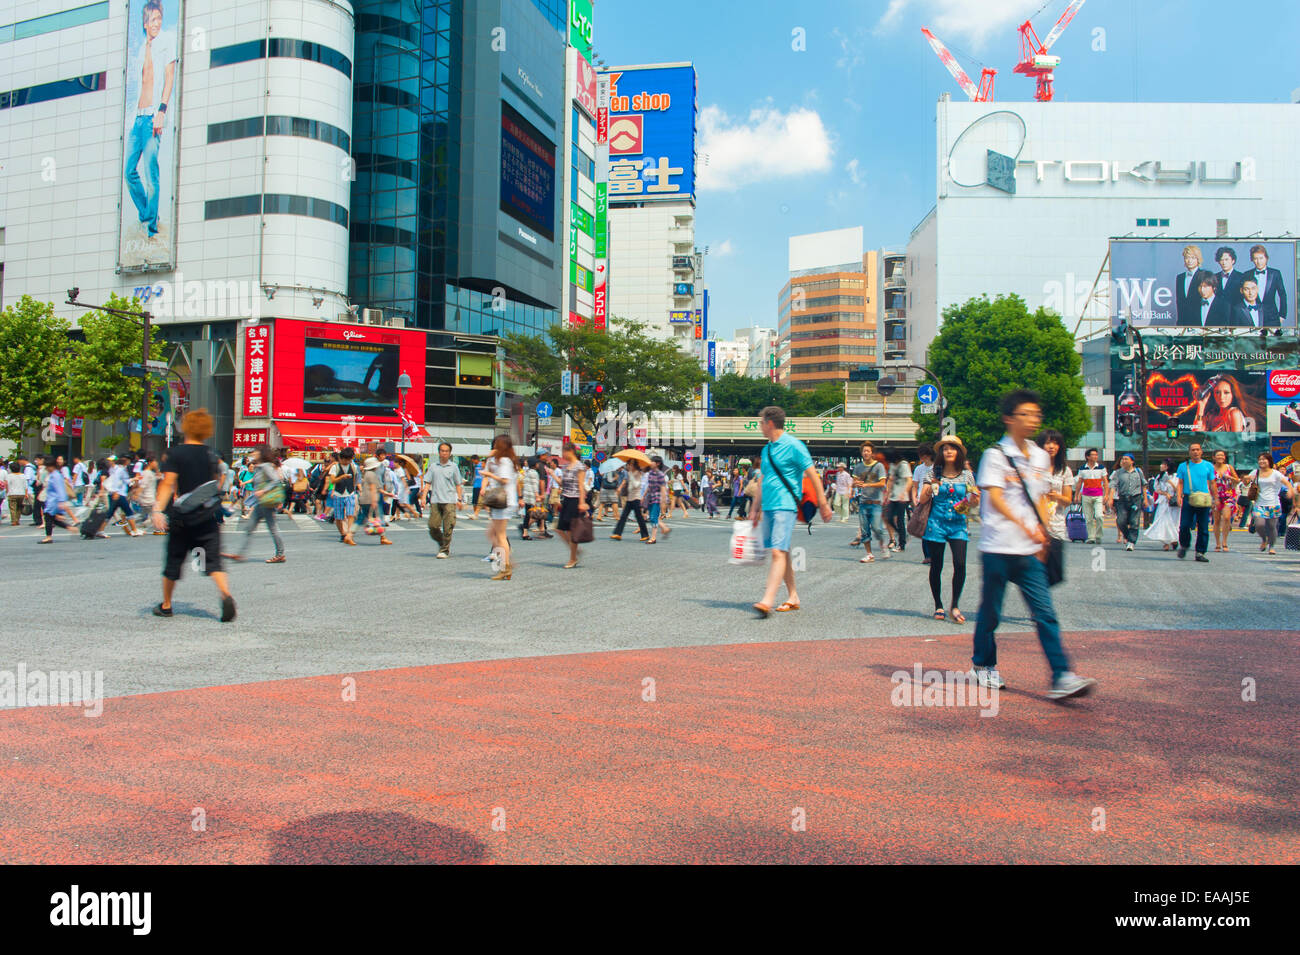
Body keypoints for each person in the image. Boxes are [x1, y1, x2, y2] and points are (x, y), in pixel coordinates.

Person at [971, 389, 1096, 700]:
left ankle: (1061, 675)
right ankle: (983, 664)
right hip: (997, 548)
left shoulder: (1040, 457)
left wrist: (1043, 533)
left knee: (1045, 613)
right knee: (991, 613)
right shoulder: (994, 456)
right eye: (1026, 414)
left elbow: (1038, 497)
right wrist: (1026, 526)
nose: (1034, 420)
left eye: (1036, 414)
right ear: (1009, 418)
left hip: (1029, 551)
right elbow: (996, 500)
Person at [150, 408, 236, 622]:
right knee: (212, 561)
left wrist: (157, 510)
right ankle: (225, 595)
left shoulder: (175, 453)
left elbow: (168, 483)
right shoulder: (211, 455)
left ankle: (167, 605)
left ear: (186, 427)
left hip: (182, 518)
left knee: (173, 561)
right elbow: (215, 484)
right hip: (207, 516)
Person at [751, 405, 831, 617]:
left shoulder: (794, 445)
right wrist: (754, 509)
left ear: (769, 423)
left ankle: (767, 600)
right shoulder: (766, 449)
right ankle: (793, 595)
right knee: (782, 550)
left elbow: (812, 474)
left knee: (777, 551)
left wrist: (823, 503)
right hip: (768, 505)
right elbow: (763, 480)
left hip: (785, 505)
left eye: (761, 423)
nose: (760, 427)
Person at [920, 436, 978, 623]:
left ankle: (955, 605)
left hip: (958, 525)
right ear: (941, 453)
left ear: (959, 452)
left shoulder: (966, 474)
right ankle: (938, 604)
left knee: (960, 564)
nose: (949, 451)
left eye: (952, 448)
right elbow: (922, 499)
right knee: (936, 565)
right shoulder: (932, 473)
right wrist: (931, 487)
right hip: (936, 523)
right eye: (945, 449)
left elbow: (972, 502)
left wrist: (974, 499)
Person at [222, 444, 287, 563]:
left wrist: (263, 490)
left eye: (255, 451)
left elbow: (275, 480)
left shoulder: (266, 466)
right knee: (250, 528)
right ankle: (240, 554)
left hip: (266, 502)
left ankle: (280, 554)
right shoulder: (259, 466)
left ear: (261, 453)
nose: (253, 453)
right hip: (261, 502)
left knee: (272, 528)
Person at [480, 435, 519, 579]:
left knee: (499, 535)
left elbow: (504, 480)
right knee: (492, 534)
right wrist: (489, 460)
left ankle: (506, 566)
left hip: (504, 500)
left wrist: (489, 473)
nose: (494, 446)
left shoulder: (505, 461)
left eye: (496, 444)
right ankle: (506, 565)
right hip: (500, 500)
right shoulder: (498, 460)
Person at [1245, 453, 1295, 555]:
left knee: (1272, 527)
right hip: (1259, 503)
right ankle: (1264, 539)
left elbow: (1287, 483)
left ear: (1269, 461)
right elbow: (1246, 481)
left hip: (1273, 503)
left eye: (1264, 459)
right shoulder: (1256, 472)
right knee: (1259, 525)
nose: (1262, 461)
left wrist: (1290, 490)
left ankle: (1271, 546)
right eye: (1260, 459)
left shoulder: (1276, 473)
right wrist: (1245, 479)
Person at [1175, 442, 1216, 561]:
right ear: (1189, 452)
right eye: (1193, 450)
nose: (1195, 452)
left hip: (1204, 499)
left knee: (1203, 526)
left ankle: (1200, 552)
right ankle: (1184, 545)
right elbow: (1180, 483)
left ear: (1201, 451)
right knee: (1184, 525)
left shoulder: (1208, 466)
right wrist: (1178, 496)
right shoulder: (1183, 466)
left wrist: (1216, 498)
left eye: (1197, 449)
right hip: (1188, 498)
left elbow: (1212, 483)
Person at [424, 441, 464, 558]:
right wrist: (423, 497)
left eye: (446, 451)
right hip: (435, 499)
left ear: (450, 453)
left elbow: (458, 484)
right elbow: (427, 483)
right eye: (442, 451)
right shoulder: (433, 467)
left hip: (450, 500)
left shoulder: (454, 467)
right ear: (439, 452)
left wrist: (460, 499)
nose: (444, 453)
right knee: (433, 526)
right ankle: (442, 542)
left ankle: (444, 550)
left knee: (448, 526)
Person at [553, 442, 590, 569]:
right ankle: (575, 551)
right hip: (566, 499)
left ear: (571, 451)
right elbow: (562, 483)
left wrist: (581, 502)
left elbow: (581, 486)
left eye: (564, 452)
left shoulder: (579, 466)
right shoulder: (566, 466)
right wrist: (552, 475)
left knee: (570, 530)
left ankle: (573, 558)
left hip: (574, 500)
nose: (562, 455)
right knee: (559, 529)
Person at [1036, 429, 1075, 546]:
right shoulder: (1033, 468)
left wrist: (1057, 496)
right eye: (1047, 443)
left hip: (1057, 524)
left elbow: (1068, 501)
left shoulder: (1065, 471)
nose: (1051, 447)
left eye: (1055, 443)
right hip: (1036, 524)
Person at [852, 441, 889, 561]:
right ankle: (869, 554)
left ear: (872, 453)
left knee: (877, 528)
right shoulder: (858, 467)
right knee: (864, 530)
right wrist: (856, 483)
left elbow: (882, 483)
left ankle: (883, 544)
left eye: (868, 451)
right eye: (864, 451)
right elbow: (854, 481)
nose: (866, 453)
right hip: (863, 502)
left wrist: (867, 484)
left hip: (876, 502)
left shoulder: (879, 466)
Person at [1106, 454, 1148, 551]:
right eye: (1123, 459)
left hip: (1136, 499)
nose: (1124, 461)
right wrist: (1110, 498)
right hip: (1122, 499)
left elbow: (1144, 485)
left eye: (1126, 459)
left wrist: (1145, 499)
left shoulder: (1138, 472)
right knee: (1121, 520)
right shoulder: (1118, 472)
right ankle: (1128, 536)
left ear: (1132, 461)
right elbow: (1113, 486)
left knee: (1134, 521)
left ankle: (1131, 542)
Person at [38, 455, 79, 543]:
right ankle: (69, 527)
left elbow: (60, 489)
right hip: (53, 499)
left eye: (47, 467)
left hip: (54, 500)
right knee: (52, 518)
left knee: (49, 517)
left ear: (51, 466)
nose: (46, 469)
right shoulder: (55, 474)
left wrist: (61, 501)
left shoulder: (55, 475)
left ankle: (49, 537)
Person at [1143, 459, 1181, 551]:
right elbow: (1157, 489)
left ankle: (1174, 539)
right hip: (1163, 501)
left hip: (1174, 502)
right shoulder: (1159, 477)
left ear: (1168, 466)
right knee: (1163, 521)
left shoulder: (1176, 476)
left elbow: (1178, 488)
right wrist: (1165, 494)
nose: (1161, 465)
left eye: (1163, 464)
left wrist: (1169, 481)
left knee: (1174, 521)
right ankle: (1166, 542)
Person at [325, 448, 361, 545]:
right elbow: (332, 480)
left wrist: (357, 489)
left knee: (350, 514)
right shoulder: (335, 467)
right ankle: (342, 533)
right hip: (338, 494)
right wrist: (342, 477)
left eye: (349, 460)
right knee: (339, 517)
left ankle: (349, 534)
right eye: (344, 459)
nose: (346, 462)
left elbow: (357, 480)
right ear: (340, 458)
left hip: (350, 493)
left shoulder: (354, 467)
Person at [1245, 244, 1287, 326]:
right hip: (1252, 315)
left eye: (1261, 258)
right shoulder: (1247, 274)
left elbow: (1282, 294)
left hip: (1272, 317)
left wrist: (1282, 315)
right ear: (1252, 260)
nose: (1259, 261)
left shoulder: (1275, 273)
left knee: (1273, 339)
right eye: (1255, 259)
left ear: (1266, 258)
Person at [103, 456, 144, 537]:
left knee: (110, 513)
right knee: (128, 512)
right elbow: (118, 481)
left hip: (114, 493)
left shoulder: (113, 469)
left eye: (110, 461)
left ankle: (100, 530)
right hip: (119, 494)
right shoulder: (119, 470)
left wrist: (134, 478)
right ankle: (134, 530)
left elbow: (123, 480)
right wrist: (116, 491)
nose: (109, 462)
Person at [610, 460, 650, 541]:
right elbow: (630, 486)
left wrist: (631, 476)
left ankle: (645, 535)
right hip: (630, 498)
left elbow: (636, 485)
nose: (627, 466)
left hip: (636, 498)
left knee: (639, 517)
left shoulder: (638, 473)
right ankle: (618, 533)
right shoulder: (629, 473)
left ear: (633, 465)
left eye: (629, 465)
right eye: (627, 464)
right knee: (623, 516)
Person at [1075, 448, 1108, 545]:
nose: (1095, 457)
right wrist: (1077, 495)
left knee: (1099, 516)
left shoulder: (1101, 468)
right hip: (1086, 495)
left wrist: (1106, 494)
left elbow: (1105, 482)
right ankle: (1091, 537)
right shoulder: (1082, 469)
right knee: (1088, 518)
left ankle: (1098, 535)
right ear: (1087, 457)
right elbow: (1079, 482)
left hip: (1098, 496)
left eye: (1096, 455)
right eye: (1093, 455)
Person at [1210, 450, 1241, 552]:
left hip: (1228, 496)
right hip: (1215, 496)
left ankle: (1225, 542)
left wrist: (1230, 477)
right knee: (1217, 520)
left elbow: (1237, 480)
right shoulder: (1210, 468)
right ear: (1214, 457)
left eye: (1222, 455)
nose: (1220, 457)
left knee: (1227, 518)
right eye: (1218, 455)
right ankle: (1218, 543)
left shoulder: (1228, 467)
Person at [1174, 245, 1212, 325]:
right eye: (1187, 258)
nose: (1189, 261)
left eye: (1193, 258)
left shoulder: (1204, 275)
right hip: (1182, 322)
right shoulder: (1180, 277)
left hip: (1199, 322)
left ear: (1198, 259)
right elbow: (1179, 301)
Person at [359, 456, 394, 545]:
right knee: (379, 518)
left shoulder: (365, 474)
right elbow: (375, 488)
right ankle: (383, 537)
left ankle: (349, 535)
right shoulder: (372, 475)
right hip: (371, 499)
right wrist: (376, 500)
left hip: (364, 499)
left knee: (362, 518)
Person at [884, 449, 912, 552]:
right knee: (888, 517)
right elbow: (891, 479)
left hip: (902, 497)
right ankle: (901, 535)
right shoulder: (892, 465)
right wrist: (887, 493)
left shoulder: (903, 465)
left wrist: (905, 492)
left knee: (900, 520)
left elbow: (909, 480)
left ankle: (902, 544)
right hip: (893, 496)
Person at [911, 444, 935, 563]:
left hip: (935, 499)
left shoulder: (937, 468)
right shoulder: (918, 469)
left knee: (932, 526)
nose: (922, 458)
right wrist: (914, 498)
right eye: (921, 456)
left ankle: (933, 554)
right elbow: (915, 486)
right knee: (923, 527)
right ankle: (927, 555)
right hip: (922, 499)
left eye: (924, 456)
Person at [135, 453, 164, 535]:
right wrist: (137, 494)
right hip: (148, 498)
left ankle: (135, 525)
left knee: (147, 515)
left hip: (149, 497)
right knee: (156, 514)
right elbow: (143, 485)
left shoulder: (150, 473)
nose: (156, 463)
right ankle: (136, 526)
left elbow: (160, 477)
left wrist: (157, 469)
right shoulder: (146, 473)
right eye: (155, 462)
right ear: (151, 462)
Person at [6, 461, 30, 526]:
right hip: (21, 494)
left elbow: (7, 485)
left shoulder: (9, 476)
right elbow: (26, 486)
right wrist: (26, 494)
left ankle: (14, 521)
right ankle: (17, 520)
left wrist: (7, 492)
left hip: (12, 493)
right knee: (19, 507)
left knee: (13, 508)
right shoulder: (23, 476)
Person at [468, 455, 484, 519]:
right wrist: (472, 482)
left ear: (476, 459)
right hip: (476, 485)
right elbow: (475, 475)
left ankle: (490, 514)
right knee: (474, 501)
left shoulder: (483, 465)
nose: (473, 462)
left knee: (483, 501)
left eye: (473, 461)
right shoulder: (475, 466)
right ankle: (475, 514)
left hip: (482, 486)